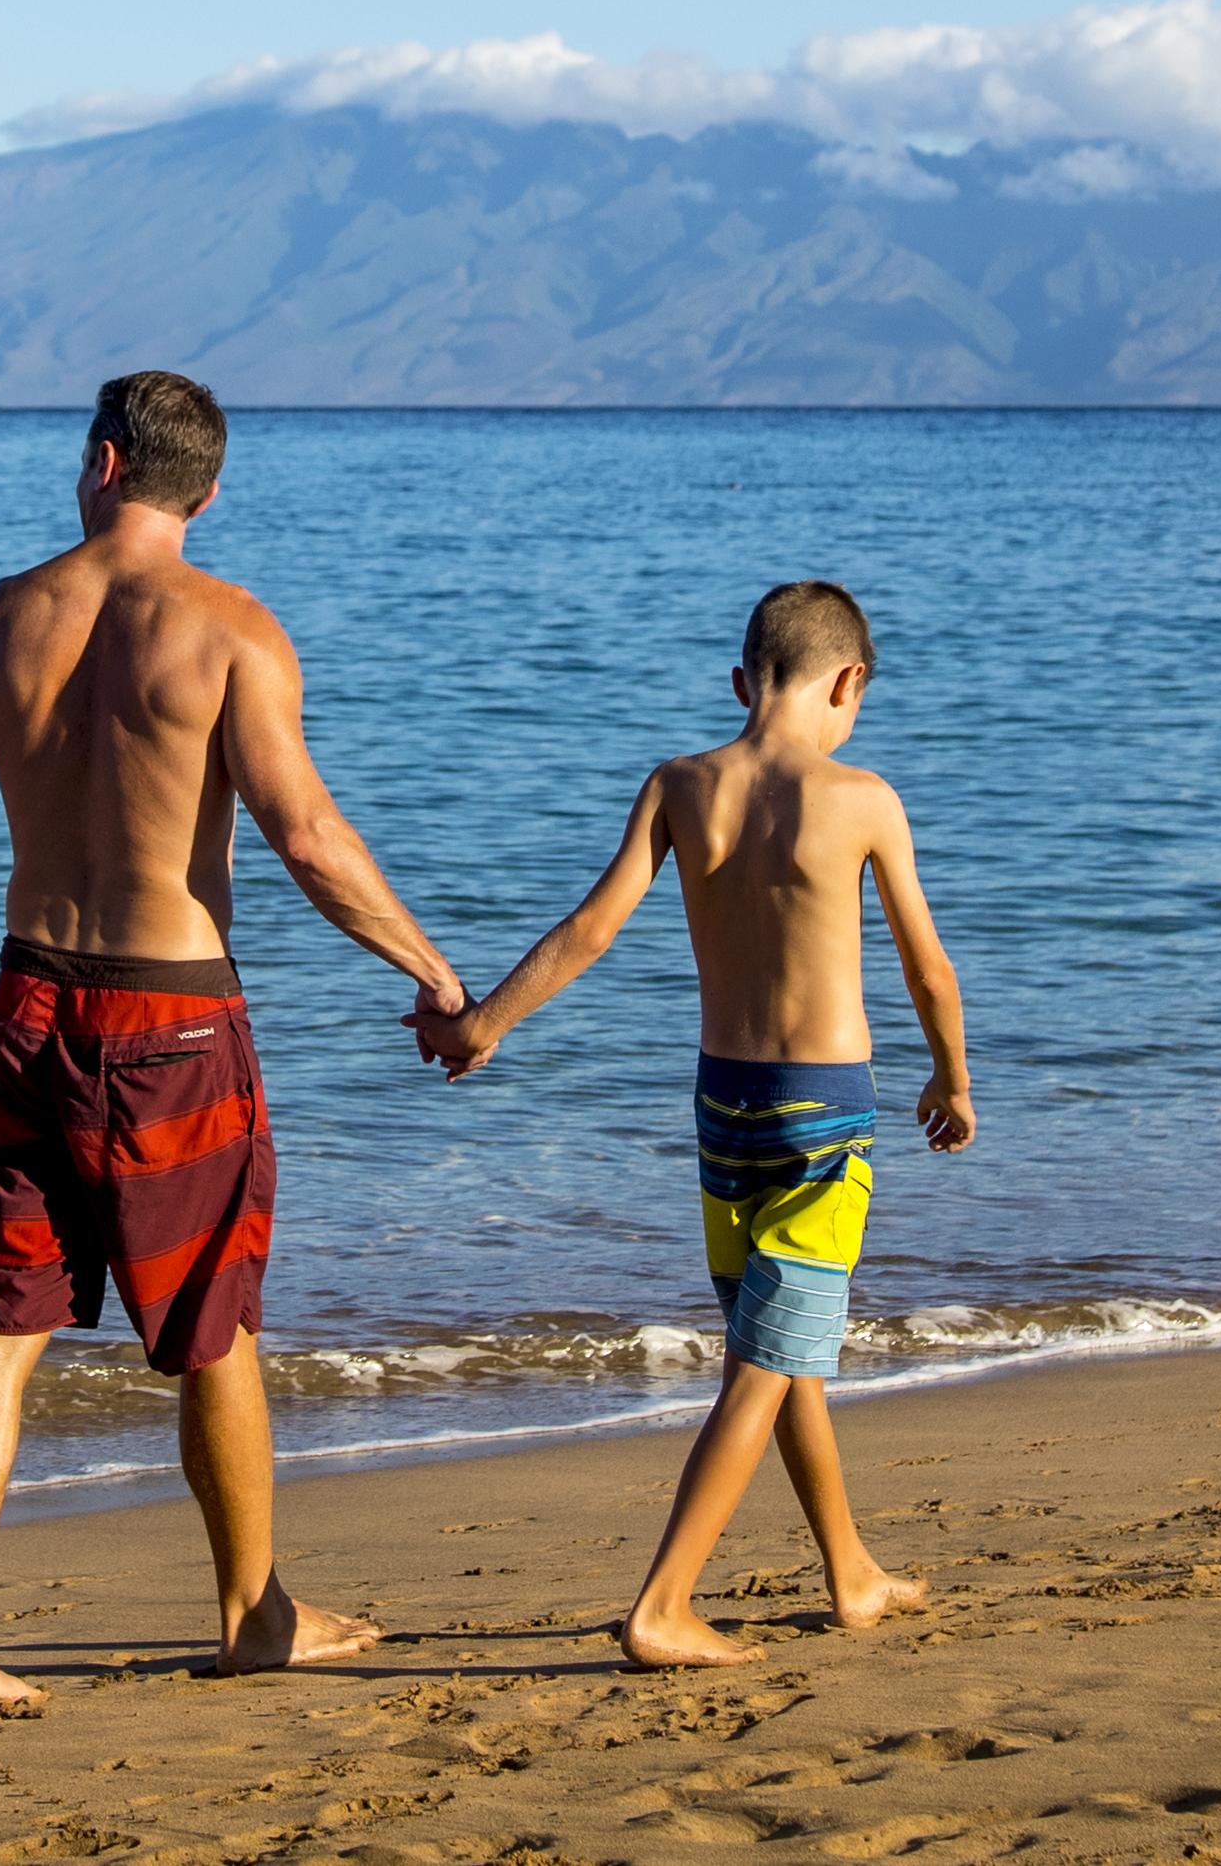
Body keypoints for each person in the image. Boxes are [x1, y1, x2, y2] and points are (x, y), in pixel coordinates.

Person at [0, 369, 470, 1710]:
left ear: (97, 462)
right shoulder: (229, 628)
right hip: (173, 1020)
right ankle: (254, 1616)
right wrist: (432, 973)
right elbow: (305, 837)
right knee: (209, 1325)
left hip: (27, 1004)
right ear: (204, 492)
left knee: (4, 1328)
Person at [415, 580, 974, 1667]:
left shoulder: (678, 785)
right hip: (823, 1112)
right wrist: (951, 1078)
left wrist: (485, 1022)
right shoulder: (862, 798)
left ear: (739, 682)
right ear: (847, 681)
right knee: (766, 1359)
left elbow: (590, 928)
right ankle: (662, 1603)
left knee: (780, 1342)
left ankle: (850, 1569)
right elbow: (927, 964)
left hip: (724, 1108)